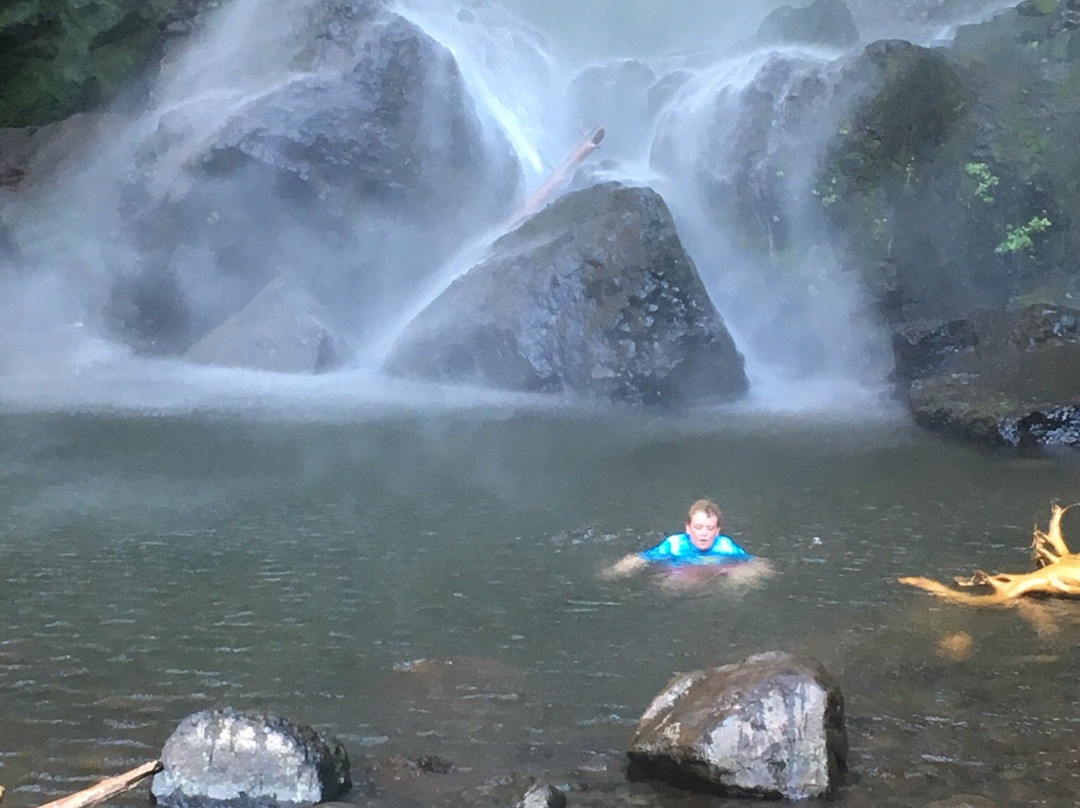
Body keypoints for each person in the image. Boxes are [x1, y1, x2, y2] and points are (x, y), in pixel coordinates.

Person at [604, 499, 753, 578]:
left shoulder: (725, 546)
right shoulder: (675, 544)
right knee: (674, 582)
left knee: (739, 578)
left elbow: (751, 562)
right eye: (698, 527)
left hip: (713, 576)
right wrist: (617, 571)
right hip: (683, 575)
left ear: (717, 531)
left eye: (710, 528)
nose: (704, 533)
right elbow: (645, 557)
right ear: (688, 528)